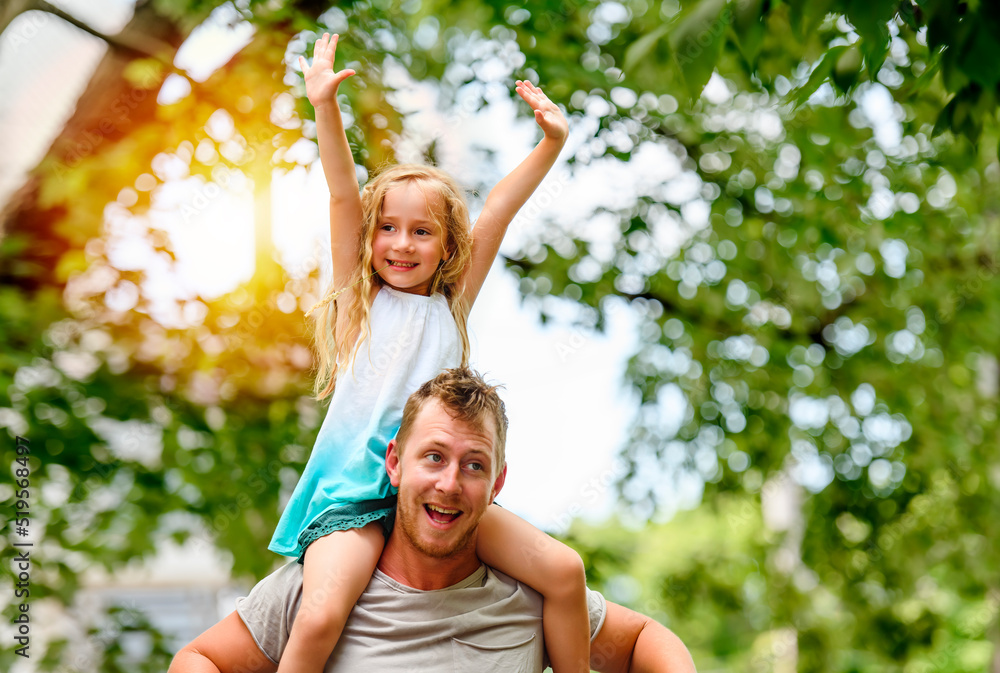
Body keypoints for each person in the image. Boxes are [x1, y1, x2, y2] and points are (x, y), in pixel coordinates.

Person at [265, 31, 589, 672]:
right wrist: (324, 107)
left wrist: (551, 143)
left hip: (437, 492)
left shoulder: (450, 308)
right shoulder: (360, 308)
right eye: (388, 228)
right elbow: (339, 195)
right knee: (322, 614)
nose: (401, 245)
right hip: (357, 496)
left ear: (447, 248)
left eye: (421, 232)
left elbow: (496, 210)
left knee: (565, 571)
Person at [169, 368, 697, 672]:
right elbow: (197, 661)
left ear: (497, 484)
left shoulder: (530, 596)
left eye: (474, 465)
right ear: (395, 463)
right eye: (434, 457)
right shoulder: (316, 588)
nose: (450, 484)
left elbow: (643, 640)